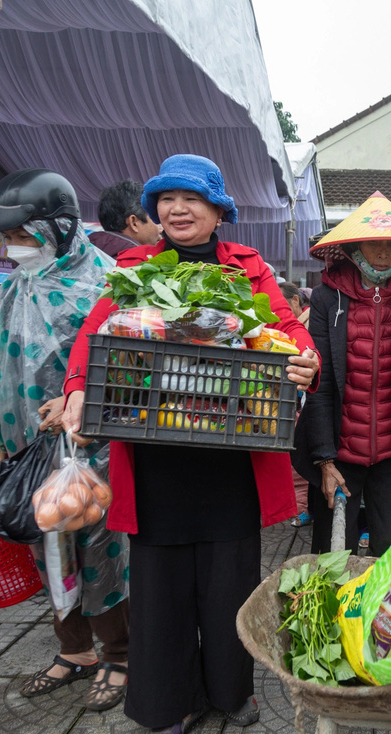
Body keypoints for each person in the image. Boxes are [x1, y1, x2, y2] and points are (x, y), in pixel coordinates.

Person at [61, 154, 320, 732]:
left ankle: (230, 692)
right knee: (160, 590)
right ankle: (165, 702)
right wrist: (78, 386)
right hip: (157, 456)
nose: (178, 209)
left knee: (229, 581)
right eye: (167, 200)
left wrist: (307, 359)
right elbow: (93, 333)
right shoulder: (134, 268)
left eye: (192, 199)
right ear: (154, 211)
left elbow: (289, 328)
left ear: (217, 210)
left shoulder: (247, 267)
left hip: (231, 451)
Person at [0, 168, 130, 712]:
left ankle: (119, 655)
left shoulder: (109, 284)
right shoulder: (12, 289)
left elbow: (130, 368)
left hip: (93, 447)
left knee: (99, 550)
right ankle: (75, 652)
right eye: (9, 239)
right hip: (26, 445)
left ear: (59, 227)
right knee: (48, 547)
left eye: (24, 236)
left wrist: (74, 406)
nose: (16, 248)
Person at [293, 191, 391, 557]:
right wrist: (324, 460)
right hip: (339, 451)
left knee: (388, 552)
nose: (383, 251)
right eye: (373, 241)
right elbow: (320, 385)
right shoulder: (329, 300)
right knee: (331, 554)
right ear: (354, 247)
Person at [279, 282, 314, 528]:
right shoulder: (300, 324)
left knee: (302, 460)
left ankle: (303, 507)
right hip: (300, 401)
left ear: (293, 301)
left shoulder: (308, 322)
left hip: (305, 400)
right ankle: (302, 506)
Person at [88, 179, 162, 257]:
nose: (161, 229)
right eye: (154, 219)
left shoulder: (85, 251)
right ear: (134, 223)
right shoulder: (137, 263)